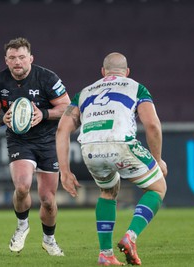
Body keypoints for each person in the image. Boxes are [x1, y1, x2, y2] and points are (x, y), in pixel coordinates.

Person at [56, 52, 167, 265]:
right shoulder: (136, 87)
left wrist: (65, 171)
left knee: (108, 191)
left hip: (89, 148)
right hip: (120, 143)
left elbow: (62, 130)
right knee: (157, 187)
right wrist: (158, 160)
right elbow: (152, 125)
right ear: (126, 72)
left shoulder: (84, 92)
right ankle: (130, 236)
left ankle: (105, 254)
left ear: (102, 72)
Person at [0, 37, 70, 256]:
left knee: (48, 200)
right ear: (6, 60)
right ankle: (22, 226)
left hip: (49, 140)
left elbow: (68, 108)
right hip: (19, 140)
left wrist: (45, 114)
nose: (17, 61)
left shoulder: (47, 78)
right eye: (12, 58)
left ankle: (49, 239)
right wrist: (4, 119)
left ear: (31, 58)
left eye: (21, 57)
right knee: (22, 187)